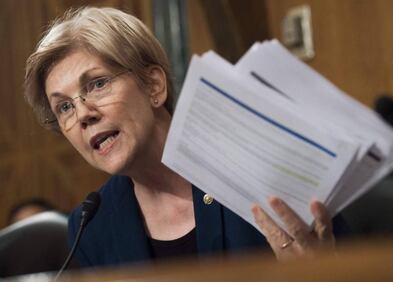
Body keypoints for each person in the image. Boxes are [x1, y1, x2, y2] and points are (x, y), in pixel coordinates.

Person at [24, 7, 347, 267]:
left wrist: (316, 271)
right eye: (64, 106)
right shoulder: (91, 227)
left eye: (97, 84)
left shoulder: (270, 172)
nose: (82, 114)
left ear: (154, 86)